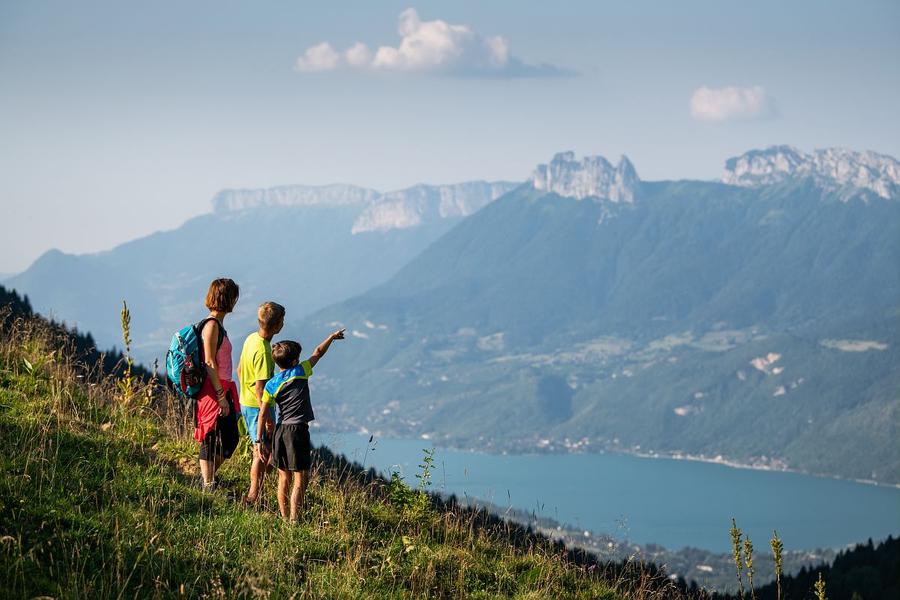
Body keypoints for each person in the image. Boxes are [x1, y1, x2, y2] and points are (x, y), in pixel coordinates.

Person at [265, 329, 344, 521]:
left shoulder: (271, 384)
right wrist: (331, 338)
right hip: (298, 431)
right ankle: (294, 519)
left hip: (280, 430)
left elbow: (263, 411)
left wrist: (260, 438)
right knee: (301, 478)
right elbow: (318, 352)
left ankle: (284, 517)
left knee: (283, 478)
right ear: (294, 362)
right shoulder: (300, 372)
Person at [194, 278, 241, 491]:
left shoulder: (219, 325)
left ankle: (208, 479)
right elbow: (209, 361)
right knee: (210, 435)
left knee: (230, 438)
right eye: (233, 296)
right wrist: (221, 396)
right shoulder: (212, 325)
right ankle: (207, 483)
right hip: (213, 389)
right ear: (226, 298)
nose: (235, 301)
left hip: (221, 386)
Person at [238, 301, 285, 504]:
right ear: (277, 326)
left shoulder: (251, 339)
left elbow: (239, 370)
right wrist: (266, 417)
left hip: (246, 403)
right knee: (261, 451)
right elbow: (261, 388)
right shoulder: (266, 353)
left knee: (263, 449)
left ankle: (257, 491)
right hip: (259, 407)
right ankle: (253, 495)